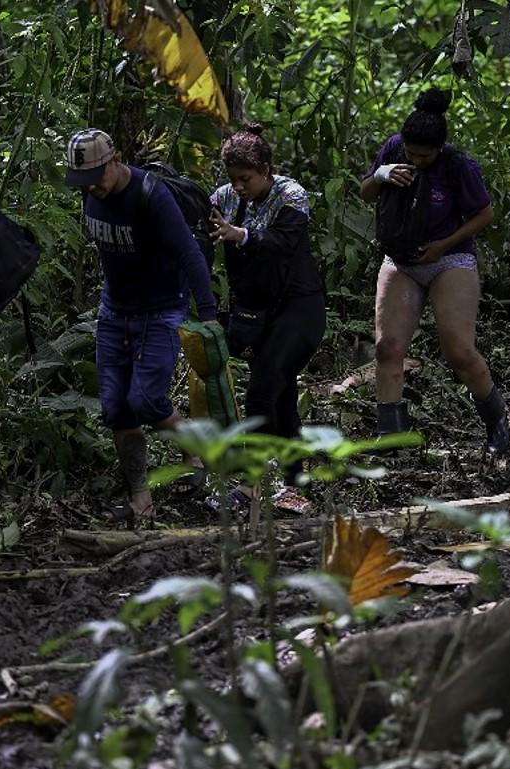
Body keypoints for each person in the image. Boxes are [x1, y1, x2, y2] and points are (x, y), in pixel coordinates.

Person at [65, 128, 218, 520]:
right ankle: (140, 500)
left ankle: (194, 454)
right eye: (83, 181)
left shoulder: (151, 195)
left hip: (161, 308)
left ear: (116, 161)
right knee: (117, 409)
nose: (92, 188)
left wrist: (210, 313)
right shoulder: (91, 192)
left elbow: (188, 253)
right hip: (115, 310)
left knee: (147, 400)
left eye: (97, 176)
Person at [359, 88, 510, 454]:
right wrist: (383, 174)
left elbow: (484, 214)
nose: (416, 160)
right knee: (388, 347)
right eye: (411, 153)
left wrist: (444, 245)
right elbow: (366, 192)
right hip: (401, 260)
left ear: (440, 149)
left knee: (458, 350)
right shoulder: (394, 149)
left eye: (424, 156)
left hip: (449, 259)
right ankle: (391, 438)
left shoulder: (459, 165)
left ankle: (498, 423)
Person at [209, 124, 326, 487]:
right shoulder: (224, 198)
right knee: (282, 395)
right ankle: (295, 483)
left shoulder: (291, 195)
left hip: (299, 308)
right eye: (234, 180)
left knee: (261, 391)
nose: (239, 188)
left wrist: (239, 235)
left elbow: (281, 242)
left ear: (266, 170)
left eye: (246, 179)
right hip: (257, 313)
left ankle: (251, 484)